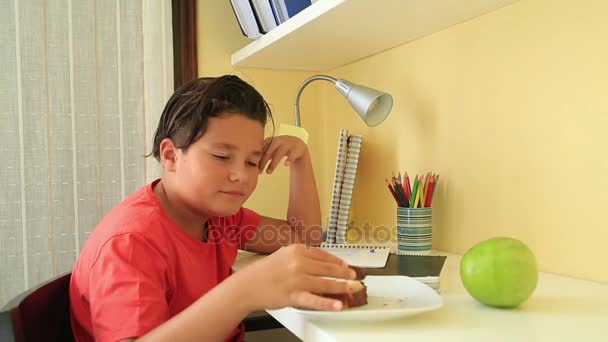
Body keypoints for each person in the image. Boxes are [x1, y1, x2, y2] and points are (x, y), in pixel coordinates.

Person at [69, 75, 357, 342]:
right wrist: (243, 291)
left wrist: (300, 160)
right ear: (170, 155)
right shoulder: (131, 243)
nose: (241, 176)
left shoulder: (221, 219)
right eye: (221, 156)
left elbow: (304, 239)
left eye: (252, 162)